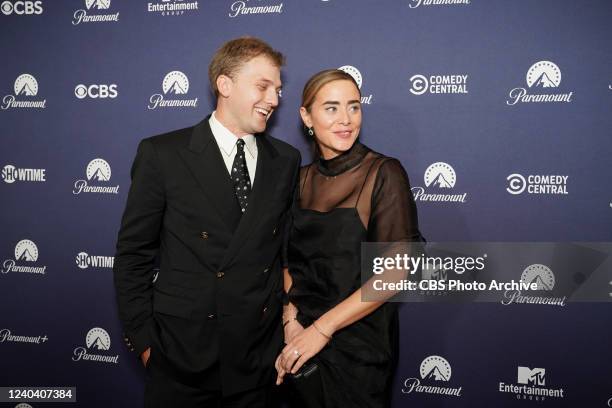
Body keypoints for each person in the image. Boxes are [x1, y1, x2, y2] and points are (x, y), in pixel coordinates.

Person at [113, 37, 301, 408]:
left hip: (257, 362)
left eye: (277, 89)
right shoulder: (163, 154)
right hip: (182, 358)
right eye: (263, 86)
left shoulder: (286, 160)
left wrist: (287, 324)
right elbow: (133, 255)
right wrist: (147, 343)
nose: (275, 100)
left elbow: (285, 254)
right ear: (225, 85)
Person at [275, 69, 423, 407]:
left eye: (354, 107)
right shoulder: (298, 179)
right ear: (306, 116)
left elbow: (394, 273)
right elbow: (288, 262)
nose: (346, 119)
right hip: (299, 342)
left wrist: (321, 330)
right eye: (331, 108)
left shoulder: (383, 173)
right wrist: (291, 323)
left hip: (358, 347)